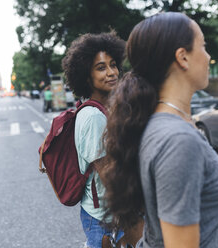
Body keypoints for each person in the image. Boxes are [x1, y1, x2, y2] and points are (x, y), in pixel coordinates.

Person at [102, 12, 218, 248]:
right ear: (183, 57)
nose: (208, 56)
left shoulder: (156, 122)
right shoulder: (177, 140)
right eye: (203, 46)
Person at [61, 32, 125, 248]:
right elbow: (107, 173)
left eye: (113, 64)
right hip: (105, 216)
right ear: (86, 77)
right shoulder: (94, 116)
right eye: (101, 67)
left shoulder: (101, 109)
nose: (111, 72)